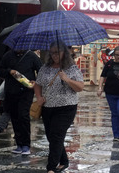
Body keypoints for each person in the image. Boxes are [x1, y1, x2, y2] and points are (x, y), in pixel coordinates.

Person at [33, 41, 84, 173]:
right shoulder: (45, 68)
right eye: (52, 53)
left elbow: (80, 87)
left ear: (64, 53)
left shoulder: (72, 68)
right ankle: (64, 161)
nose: (54, 55)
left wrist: (67, 79)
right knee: (52, 137)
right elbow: (38, 84)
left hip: (66, 107)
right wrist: (39, 97)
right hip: (48, 107)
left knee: (56, 135)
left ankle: (51, 167)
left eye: (57, 52)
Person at [0, 49, 42, 155]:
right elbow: (0, 71)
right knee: (14, 117)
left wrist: (35, 82)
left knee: (23, 115)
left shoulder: (32, 56)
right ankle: (19, 144)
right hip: (11, 91)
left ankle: (26, 144)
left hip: (26, 92)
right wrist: (10, 71)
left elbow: (41, 71)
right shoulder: (8, 55)